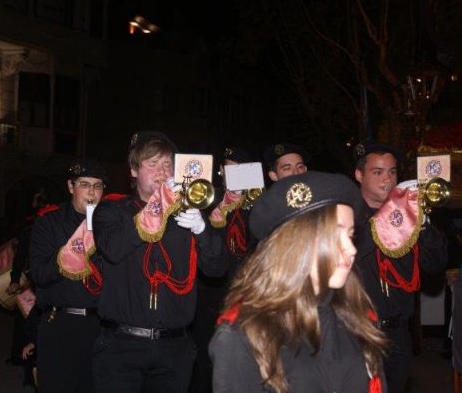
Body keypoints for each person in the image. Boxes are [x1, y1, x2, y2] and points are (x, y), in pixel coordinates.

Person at [210, 171, 388, 393]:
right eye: (335, 236)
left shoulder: (359, 316)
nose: (351, 250)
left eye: (350, 236)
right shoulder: (245, 334)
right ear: (295, 245)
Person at [92, 131, 226, 392]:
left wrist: (202, 230)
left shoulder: (188, 212)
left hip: (174, 347)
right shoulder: (111, 211)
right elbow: (113, 249)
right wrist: (158, 206)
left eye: (167, 165)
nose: (161, 171)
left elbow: (217, 269)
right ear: (133, 171)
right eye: (151, 164)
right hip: (121, 345)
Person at [352, 142, 447, 393]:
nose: (387, 179)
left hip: (398, 334)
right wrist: (389, 216)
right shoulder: (347, 215)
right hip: (357, 332)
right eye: (378, 172)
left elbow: (436, 265)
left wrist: (423, 223)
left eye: (392, 172)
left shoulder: (409, 215)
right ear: (359, 175)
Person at [28, 158, 108, 392]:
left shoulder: (111, 224)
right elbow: (39, 274)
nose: (92, 191)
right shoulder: (49, 222)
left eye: (98, 185)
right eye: (84, 184)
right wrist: (68, 254)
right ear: (71, 187)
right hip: (61, 325)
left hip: (102, 327)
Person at [190, 146, 257, 393]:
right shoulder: (207, 198)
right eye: (230, 168)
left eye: (242, 170)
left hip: (246, 297)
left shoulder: (257, 203)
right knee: (205, 364)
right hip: (210, 294)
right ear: (220, 171)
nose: (235, 174)